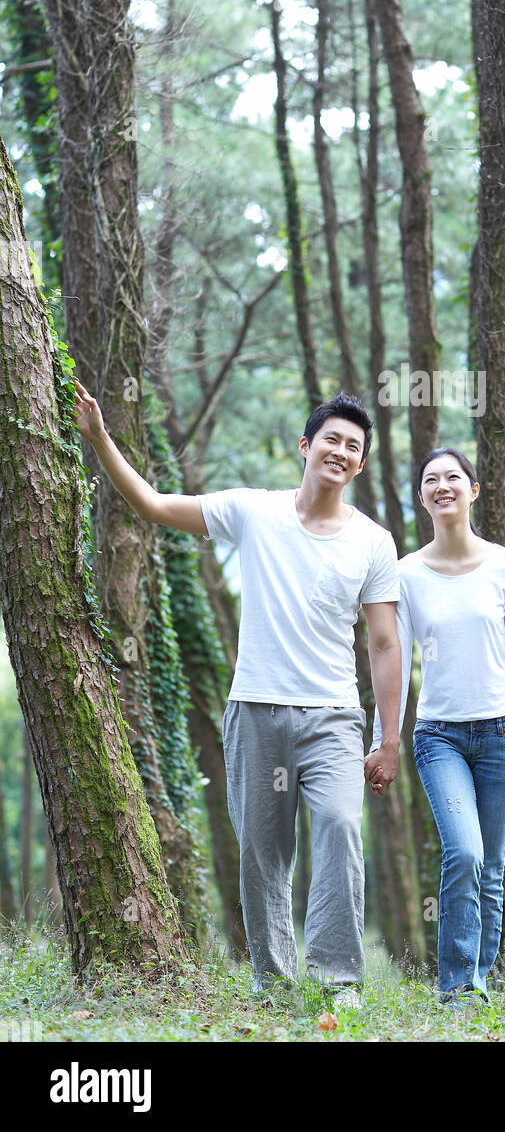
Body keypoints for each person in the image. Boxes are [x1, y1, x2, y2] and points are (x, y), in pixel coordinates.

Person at [73, 382, 402, 1005]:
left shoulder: (373, 541)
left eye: (353, 446)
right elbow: (152, 505)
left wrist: (389, 739)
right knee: (262, 849)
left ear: (360, 463)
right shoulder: (254, 511)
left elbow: (384, 644)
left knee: (338, 827)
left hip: (334, 716)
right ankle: (273, 982)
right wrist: (100, 437)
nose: (340, 450)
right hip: (255, 712)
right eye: (331, 438)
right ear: (306, 446)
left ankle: (338, 981)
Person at [366, 448, 505, 1003]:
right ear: (421, 498)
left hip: (504, 733)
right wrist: (383, 741)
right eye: (430, 480)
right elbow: (389, 658)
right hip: (439, 735)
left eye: (453, 478)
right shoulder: (406, 573)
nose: (442, 486)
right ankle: (455, 987)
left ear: (473, 490)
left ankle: (477, 981)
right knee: (463, 852)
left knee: (490, 868)